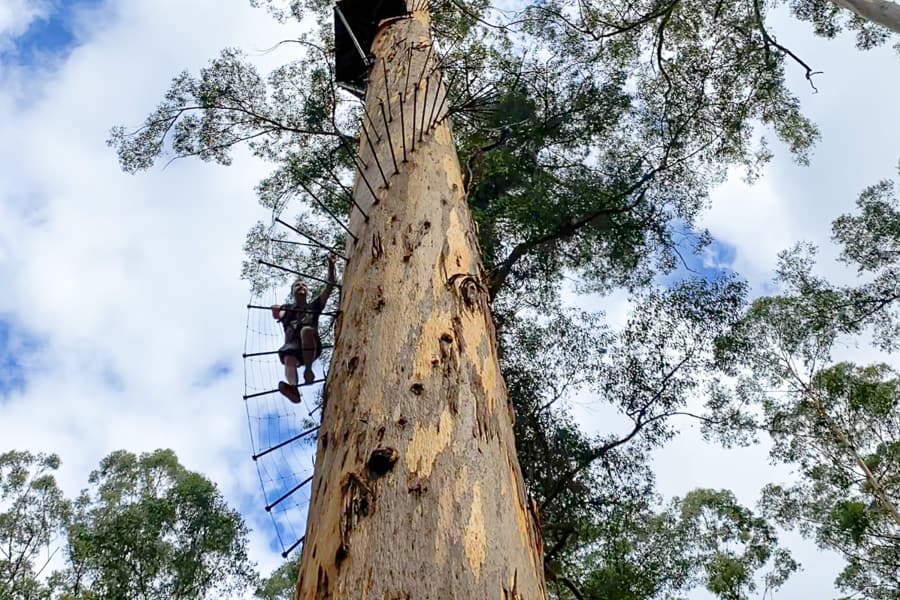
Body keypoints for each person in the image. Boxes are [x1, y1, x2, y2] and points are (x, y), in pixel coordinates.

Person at [271, 253, 337, 404]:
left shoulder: (314, 306)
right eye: (297, 285)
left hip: (311, 344)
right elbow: (278, 313)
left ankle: (308, 369)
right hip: (293, 347)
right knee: (288, 357)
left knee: (306, 330)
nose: (301, 286)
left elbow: (330, 284)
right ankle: (293, 388)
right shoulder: (287, 309)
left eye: (304, 285)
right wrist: (277, 310)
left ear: (307, 291)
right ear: (292, 291)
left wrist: (331, 265)